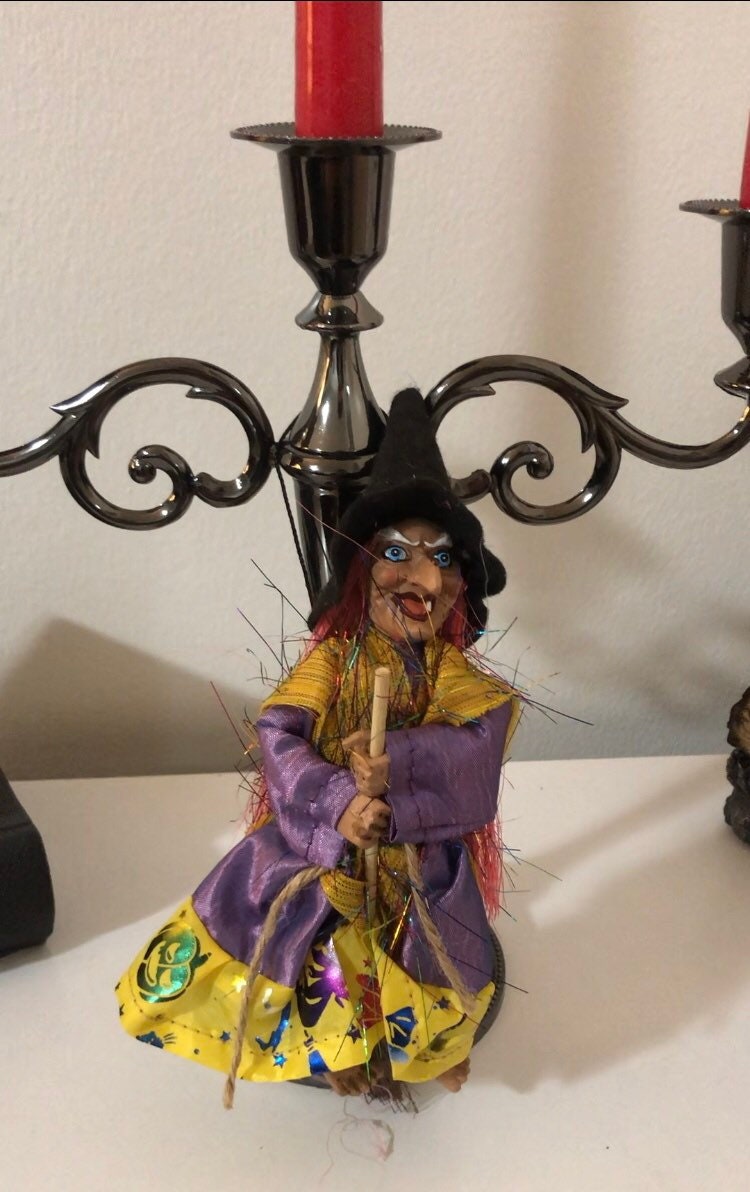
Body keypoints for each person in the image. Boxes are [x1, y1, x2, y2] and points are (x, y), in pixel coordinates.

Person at [117, 389, 521, 1098]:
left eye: (443, 558)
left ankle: (430, 1051)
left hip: (416, 858)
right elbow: (278, 734)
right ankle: (336, 1050)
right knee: (320, 951)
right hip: (322, 850)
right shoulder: (331, 664)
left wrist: (399, 774)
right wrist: (339, 801)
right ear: (364, 569)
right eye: (396, 552)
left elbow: (480, 745)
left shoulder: (457, 679)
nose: (423, 579)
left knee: (435, 956)